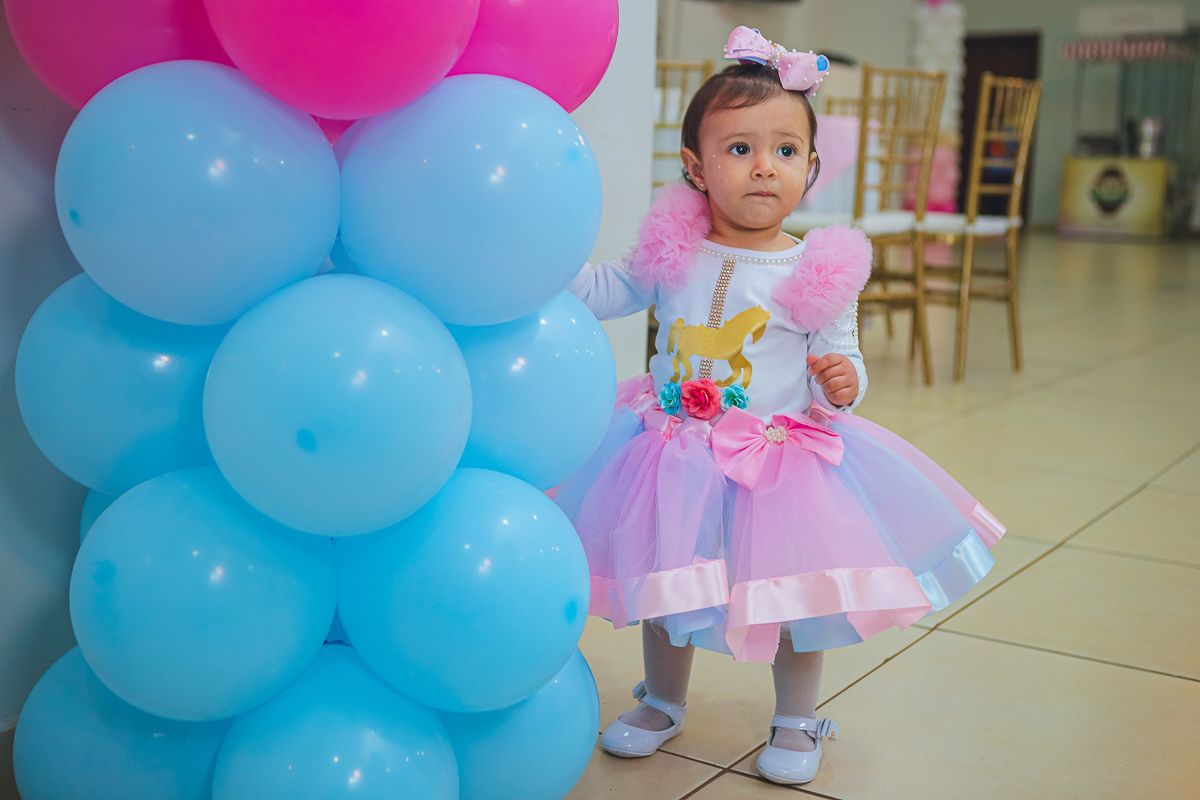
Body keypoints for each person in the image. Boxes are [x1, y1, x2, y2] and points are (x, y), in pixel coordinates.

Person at [554, 27, 1006, 786]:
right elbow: (611, 289)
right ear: (695, 167)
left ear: (812, 168)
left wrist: (842, 382)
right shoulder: (673, 247)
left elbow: (845, 362)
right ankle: (663, 699)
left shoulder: (815, 268)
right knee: (669, 578)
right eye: (739, 149)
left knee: (793, 594)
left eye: (786, 150)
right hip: (672, 450)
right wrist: (546, 269)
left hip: (772, 461)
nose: (764, 166)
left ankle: (797, 717)